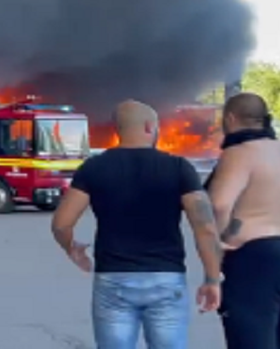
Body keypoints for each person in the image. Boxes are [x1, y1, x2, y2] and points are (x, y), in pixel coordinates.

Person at [51, 100, 223, 349]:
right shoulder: (178, 168)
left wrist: (71, 247)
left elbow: (61, 224)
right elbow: (205, 227)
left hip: (113, 279)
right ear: (149, 127)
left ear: (117, 130)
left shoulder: (94, 168)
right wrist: (212, 279)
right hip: (166, 278)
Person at [206, 92, 280, 349]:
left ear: (231, 118)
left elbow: (219, 204)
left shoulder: (239, 153)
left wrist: (223, 239)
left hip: (256, 258)